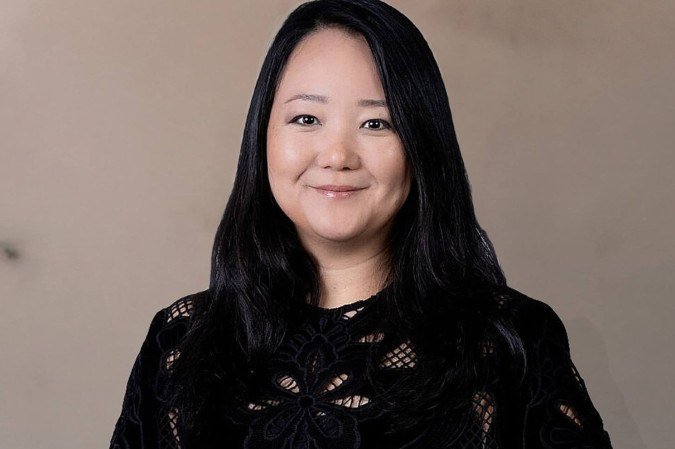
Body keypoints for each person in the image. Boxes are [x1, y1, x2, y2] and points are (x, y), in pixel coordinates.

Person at [109, 0, 613, 448]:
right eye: (306, 119)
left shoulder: (508, 341)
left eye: (377, 123)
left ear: (421, 146)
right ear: (262, 138)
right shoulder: (182, 343)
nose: (337, 155)